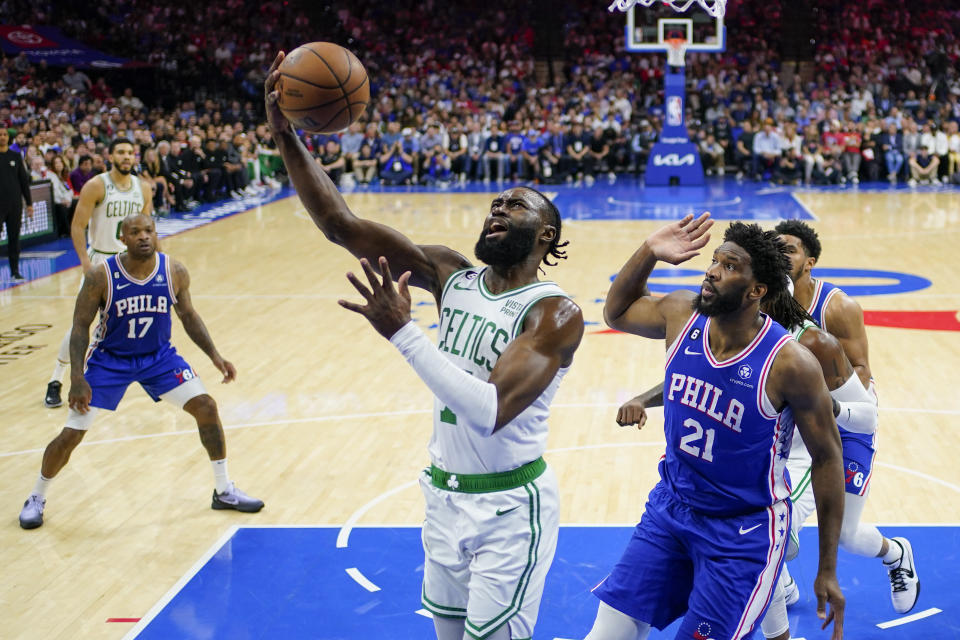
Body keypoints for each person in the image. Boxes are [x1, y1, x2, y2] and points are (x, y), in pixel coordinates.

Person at [265, 52, 584, 640]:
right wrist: (286, 135)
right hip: (442, 494)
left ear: (545, 234)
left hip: (510, 509)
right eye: (494, 203)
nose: (497, 210)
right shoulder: (449, 274)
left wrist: (404, 333)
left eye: (513, 205)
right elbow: (340, 223)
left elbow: (489, 411)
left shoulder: (555, 312)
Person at [585, 216, 845, 640]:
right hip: (671, 510)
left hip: (740, 535)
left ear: (757, 290)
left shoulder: (789, 363)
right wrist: (649, 250)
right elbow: (616, 312)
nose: (712, 270)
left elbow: (828, 457)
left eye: (729, 266)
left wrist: (827, 569)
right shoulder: (681, 314)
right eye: (714, 260)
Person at [19, 214, 263, 529]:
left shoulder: (174, 270)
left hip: (159, 358)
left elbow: (188, 315)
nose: (144, 237)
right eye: (135, 232)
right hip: (110, 360)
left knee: (206, 407)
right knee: (72, 433)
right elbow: (80, 327)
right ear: (123, 238)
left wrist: (215, 355)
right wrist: (76, 377)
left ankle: (224, 490)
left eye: (148, 231)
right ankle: (36, 496)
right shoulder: (100, 276)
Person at [775, 219, 919, 615]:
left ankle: (895, 554)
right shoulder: (768, 300)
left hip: (847, 416)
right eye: (776, 248)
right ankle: (780, 582)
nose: (782, 255)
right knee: (770, 515)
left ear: (811, 261)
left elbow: (860, 369)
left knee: (846, 534)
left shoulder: (836, 307)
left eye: (790, 249)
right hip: (801, 418)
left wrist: (822, 398)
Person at [44, 139, 154, 409]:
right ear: (110, 155)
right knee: (81, 326)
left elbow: (149, 230)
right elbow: (77, 225)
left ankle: (128, 376)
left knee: (130, 324)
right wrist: (85, 262)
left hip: (130, 265)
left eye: (130, 152)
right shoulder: (96, 185)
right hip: (102, 263)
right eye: (120, 152)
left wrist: (152, 263)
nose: (126, 157)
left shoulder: (144, 188)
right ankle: (56, 380)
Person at [0, 127, 34, 280]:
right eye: (0, 135)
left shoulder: (15, 156)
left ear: (9, 137)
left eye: (5, 134)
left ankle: (15, 271)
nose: (2, 137)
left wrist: (29, 203)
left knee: (14, 239)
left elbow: (23, 181)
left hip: (15, 205)